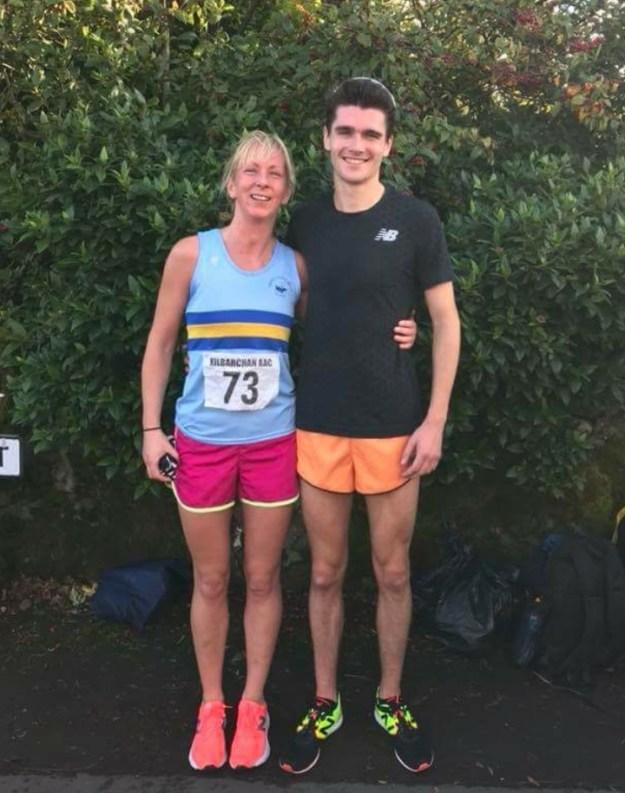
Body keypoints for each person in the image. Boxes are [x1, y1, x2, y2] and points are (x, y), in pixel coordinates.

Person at [140, 130, 417, 772]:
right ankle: (212, 705)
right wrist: (152, 430)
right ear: (231, 182)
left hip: (271, 444)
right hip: (202, 444)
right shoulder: (191, 255)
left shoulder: (296, 267)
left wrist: (401, 328)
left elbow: (340, 325)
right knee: (212, 579)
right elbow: (159, 344)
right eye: (250, 171)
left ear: (287, 189)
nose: (261, 182)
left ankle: (254, 702)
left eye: (274, 173)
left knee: (263, 579)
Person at [278, 78, 461, 775]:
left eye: (370, 134)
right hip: (319, 422)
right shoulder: (304, 221)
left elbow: (446, 322)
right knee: (324, 572)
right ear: (326, 138)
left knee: (392, 571)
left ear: (388, 145)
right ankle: (324, 699)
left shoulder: (417, 219)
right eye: (345, 131)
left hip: (393, 426)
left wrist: (434, 420)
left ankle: (390, 697)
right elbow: (294, 305)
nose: (356, 144)